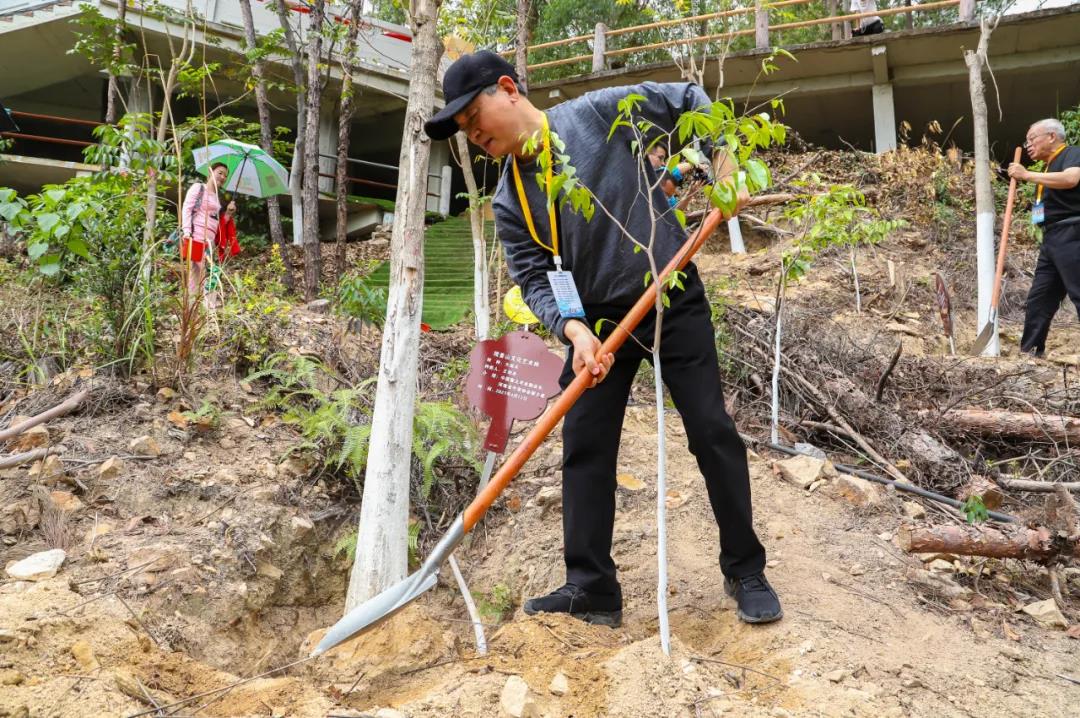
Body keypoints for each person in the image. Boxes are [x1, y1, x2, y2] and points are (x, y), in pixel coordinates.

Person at [424, 51, 781, 628]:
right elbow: (535, 278)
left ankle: (745, 568)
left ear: (509, 89)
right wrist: (572, 330)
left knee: (712, 428)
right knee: (585, 446)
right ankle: (591, 586)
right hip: (596, 326)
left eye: (473, 119)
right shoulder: (509, 200)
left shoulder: (599, 114)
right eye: (463, 132)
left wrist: (726, 164)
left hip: (670, 291)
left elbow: (691, 102)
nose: (473, 136)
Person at [1008, 118, 1080, 356]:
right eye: (1026, 141)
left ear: (1051, 136)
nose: (1028, 145)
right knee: (1040, 298)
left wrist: (1027, 175)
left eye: (1032, 139)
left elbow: (1071, 178)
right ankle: (1030, 353)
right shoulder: (1047, 168)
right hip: (1051, 239)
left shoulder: (1071, 153)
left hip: (1073, 232)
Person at [180, 162, 227, 297]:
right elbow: (187, 208)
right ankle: (197, 310)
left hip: (209, 244)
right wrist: (187, 231)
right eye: (220, 173)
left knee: (205, 276)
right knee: (198, 275)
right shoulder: (199, 188)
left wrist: (228, 214)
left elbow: (217, 222)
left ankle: (200, 310)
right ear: (210, 172)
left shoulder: (217, 197)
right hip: (196, 237)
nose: (223, 177)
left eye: (225, 175)